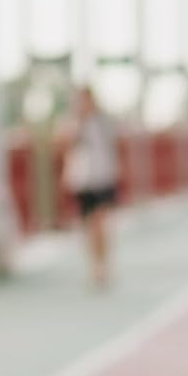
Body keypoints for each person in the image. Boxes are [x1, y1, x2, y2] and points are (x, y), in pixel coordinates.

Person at [61, 85, 120, 288]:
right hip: (82, 180)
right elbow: (66, 146)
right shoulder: (73, 123)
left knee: (101, 223)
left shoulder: (103, 122)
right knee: (88, 226)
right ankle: (94, 266)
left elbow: (113, 146)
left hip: (102, 177)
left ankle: (104, 264)